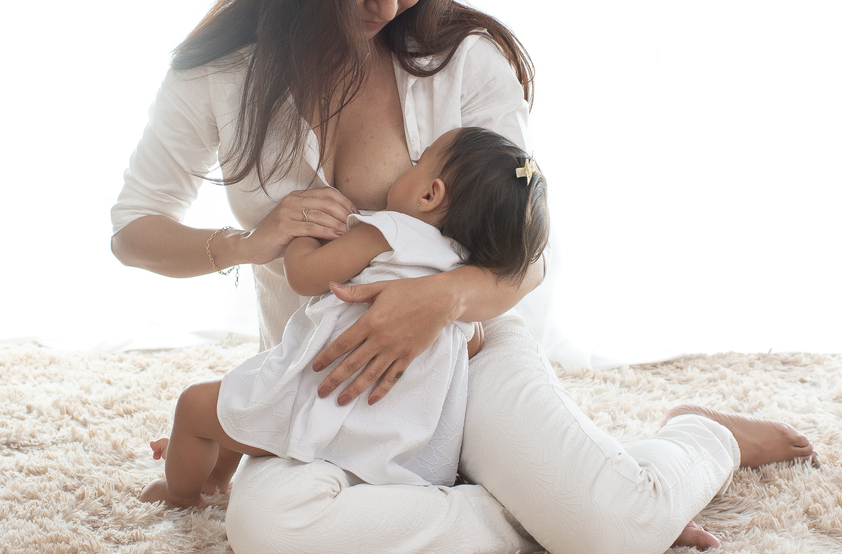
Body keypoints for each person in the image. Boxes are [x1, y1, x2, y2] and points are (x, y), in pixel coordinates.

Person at [111, 0, 814, 554]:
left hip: (469, 350)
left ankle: (701, 436)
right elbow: (134, 228)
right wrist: (248, 245)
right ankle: (518, 512)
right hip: (328, 378)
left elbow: (526, 259)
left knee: (615, 536)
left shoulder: (467, 59)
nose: (390, 6)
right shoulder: (217, 72)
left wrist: (440, 301)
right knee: (273, 536)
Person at [138, 127, 550, 508]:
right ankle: (215, 476)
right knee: (244, 405)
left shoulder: (388, 230)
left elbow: (305, 277)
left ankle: (180, 495)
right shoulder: (460, 276)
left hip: (327, 403)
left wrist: (304, 232)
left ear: (429, 195)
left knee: (195, 407)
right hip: (394, 444)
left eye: (417, 162)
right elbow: (472, 343)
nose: (405, 168)